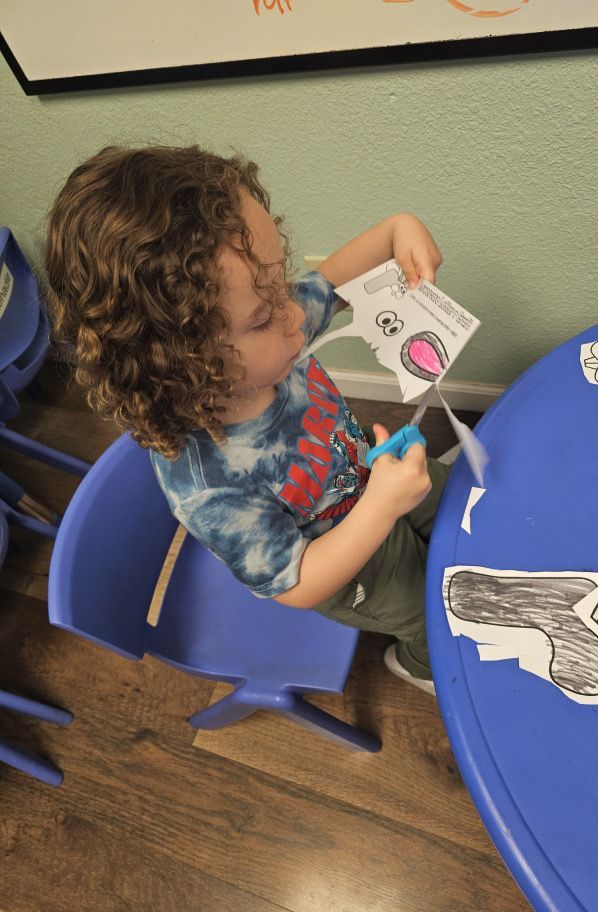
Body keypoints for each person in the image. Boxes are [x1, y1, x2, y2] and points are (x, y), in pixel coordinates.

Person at [45, 144, 452, 695]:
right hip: (347, 563)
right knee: (436, 616)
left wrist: (396, 230)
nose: (295, 315)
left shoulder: (270, 331)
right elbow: (299, 587)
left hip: (374, 476)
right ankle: (420, 665)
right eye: (262, 316)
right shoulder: (211, 485)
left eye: (280, 283)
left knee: (466, 504)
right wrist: (382, 507)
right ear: (180, 362)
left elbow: (334, 278)